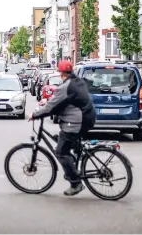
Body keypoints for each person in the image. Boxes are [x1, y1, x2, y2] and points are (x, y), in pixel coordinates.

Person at [28, 60, 96, 196]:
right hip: (88, 118)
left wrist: (35, 115)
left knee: (60, 151)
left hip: (76, 122)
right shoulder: (77, 81)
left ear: (61, 73)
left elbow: (50, 108)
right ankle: (73, 167)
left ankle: (75, 182)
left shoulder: (66, 86)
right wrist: (48, 100)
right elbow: (64, 99)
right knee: (65, 142)